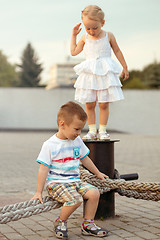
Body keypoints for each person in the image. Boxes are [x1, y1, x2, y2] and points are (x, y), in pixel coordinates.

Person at [32, 101, 109, 239]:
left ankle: (88, 224)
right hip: (57, 184)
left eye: (80, 130)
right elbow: (43, 169)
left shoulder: (77, 141)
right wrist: (38, 191)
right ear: (62, 124)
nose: (79, 133)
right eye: (76, 129)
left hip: (74, 181)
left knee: (94, 193)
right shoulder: (50, 145)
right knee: (76, 200)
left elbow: (85, 159)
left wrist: (97, 173)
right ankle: (60, 222)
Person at [70, 5, 129, 141]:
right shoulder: (85, 38)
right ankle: (91, 130)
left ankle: (102, 130)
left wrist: (124, 67)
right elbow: (73, 52)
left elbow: (117, 51)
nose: (91, 31)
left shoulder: (109, 36)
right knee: (89, 103)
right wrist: (74, 35)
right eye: (88, 28)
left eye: (95, 28)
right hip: (90, 74)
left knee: (103, 103)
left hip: (105, 73)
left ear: (102, 23)